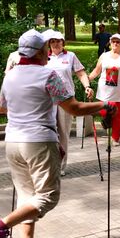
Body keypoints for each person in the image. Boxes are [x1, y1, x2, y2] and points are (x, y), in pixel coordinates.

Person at [0, 29, 116, 238]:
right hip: (38, 142)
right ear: (41, 52)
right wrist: (103, 105)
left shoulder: (10, 76)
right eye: (46, 48)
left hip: (13, 141)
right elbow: (74, 108)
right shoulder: (48, 74)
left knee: (27, 199)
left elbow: (2, 107)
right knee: (48, 197)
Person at [44, 30, 94, 176]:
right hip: (48, 101)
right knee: (47, 133)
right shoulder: (44, 58)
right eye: (53, 41)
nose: (56, 43)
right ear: (49, 43)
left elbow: (81, 73)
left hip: (66, 100)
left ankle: (60, 166)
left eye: (58, 40)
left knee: (63, 133)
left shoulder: (70, 56)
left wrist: (87, 86)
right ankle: (48, 164)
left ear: (63, 42)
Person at [88, 33, 120, 147]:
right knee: (104, 112)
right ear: (110, 42)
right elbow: (97, 70)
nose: (115, 43)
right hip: (104, 91)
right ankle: (107, 122)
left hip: (119, 91)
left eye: (118, 42)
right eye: (113, 41)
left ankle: (115, 138)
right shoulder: (104, 56)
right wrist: (87, 79)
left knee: (118, 117)